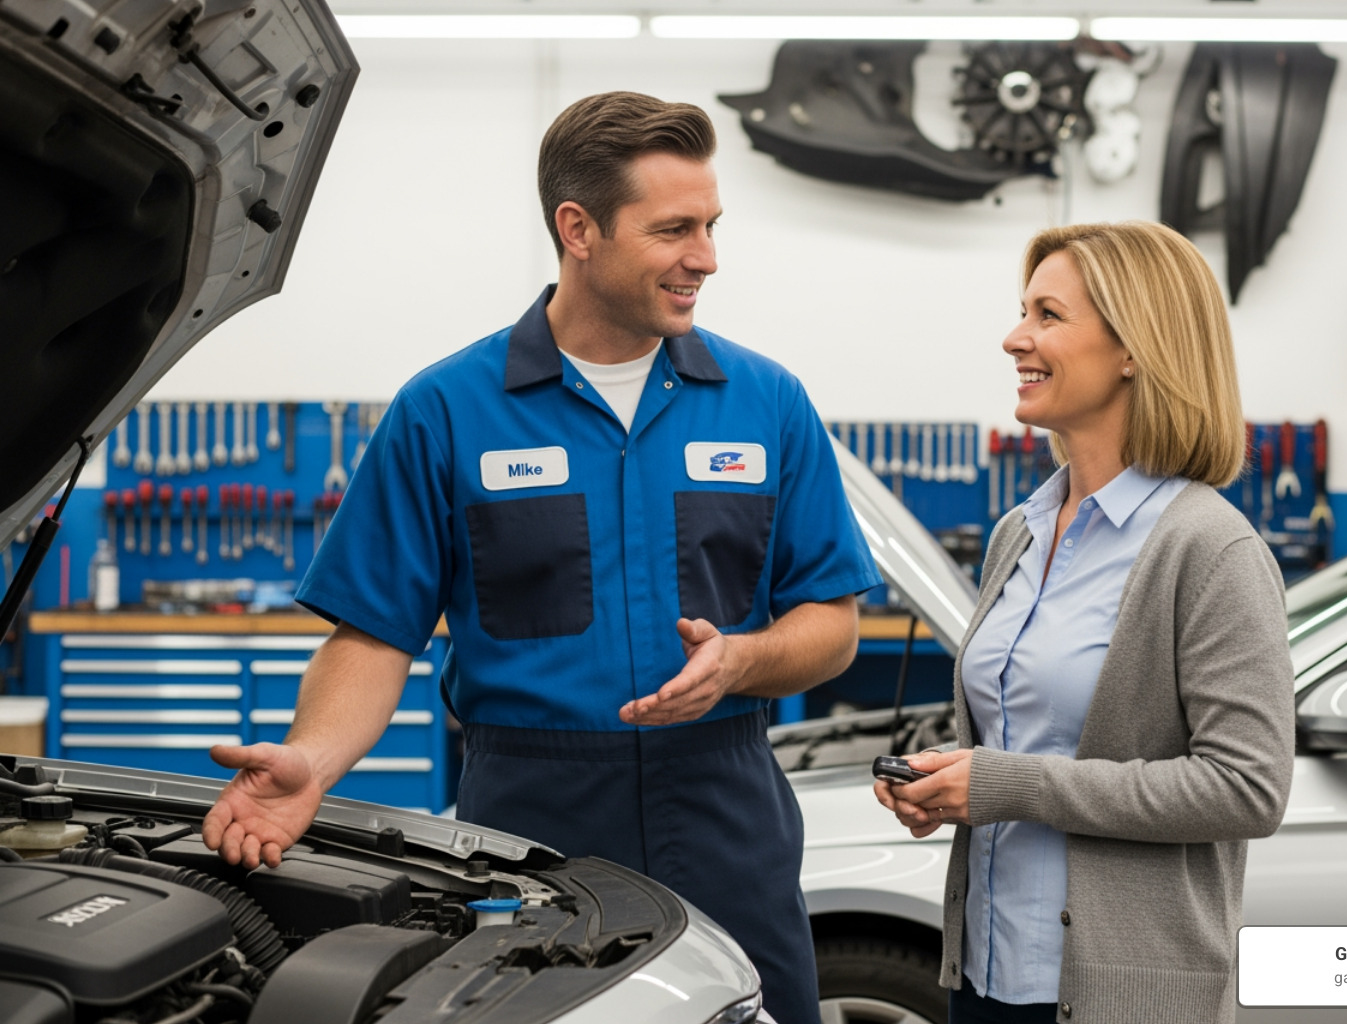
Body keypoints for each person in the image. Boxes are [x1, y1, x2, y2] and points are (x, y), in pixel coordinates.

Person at [201, 91, 882, 1024]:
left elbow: (832, 625)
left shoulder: (768, 402)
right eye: (675, 228)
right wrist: (314, 763)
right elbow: (374, 636)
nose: (706, 258)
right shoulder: (446, 410)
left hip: (728, 809)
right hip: (529, 824)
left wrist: (743, 662)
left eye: (713, 226)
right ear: (579, 228)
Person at [874, 221, 1294, 1024]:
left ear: (1134, 346)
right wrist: (947, 787)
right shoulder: (1020, 531)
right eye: (1020, 311)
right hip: (983, 977)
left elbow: (1247, 788)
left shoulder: (1208, 549)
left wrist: (1009, 786)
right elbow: (1019, 746)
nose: (1013, 338)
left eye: (1047, 315)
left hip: (1117, 996)